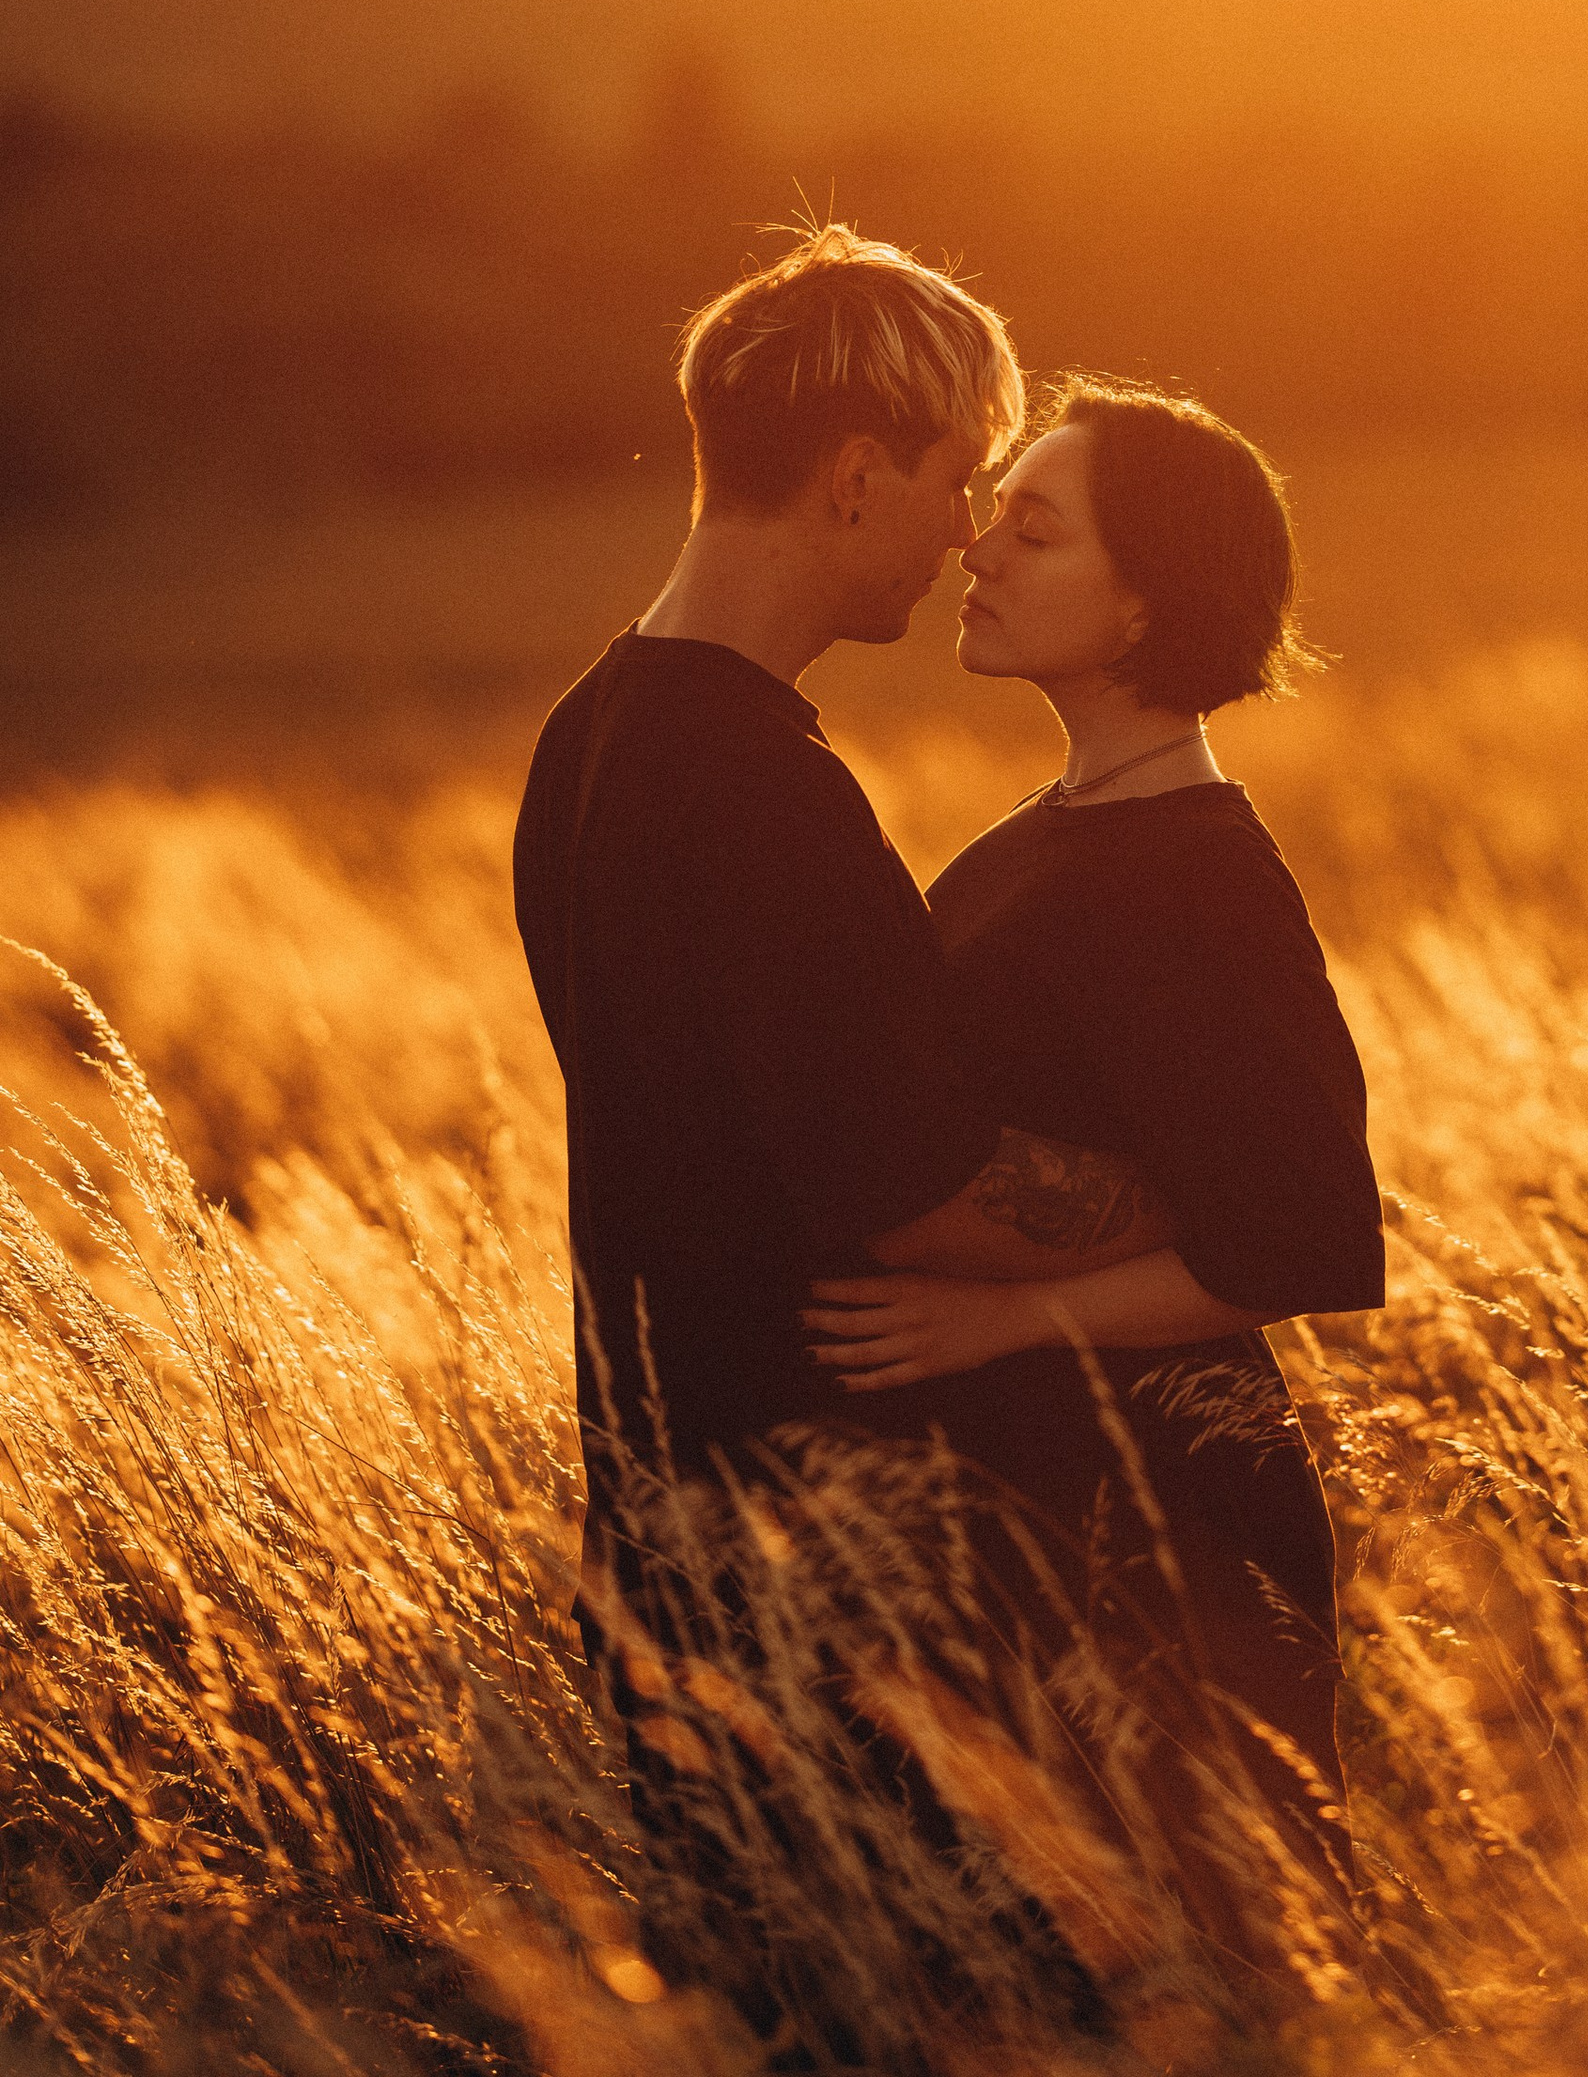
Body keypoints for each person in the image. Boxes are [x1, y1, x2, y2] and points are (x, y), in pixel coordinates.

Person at [513, 225, 1175, 2041]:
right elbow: (921, 1196)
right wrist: (1187, 1216)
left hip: (670, 1535)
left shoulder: (591, 736)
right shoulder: (755, 791)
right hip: (831, 1583)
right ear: (860, 474)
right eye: (965, 478)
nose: (974, 528)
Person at [803, 379, 1386, 1960]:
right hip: (1043, 1517)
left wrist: (994, 1324)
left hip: (1169, 1531)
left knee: (1198, 1969)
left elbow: (1307, 1237)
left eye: (1036, 527)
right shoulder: (1048, 832)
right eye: (997, 510)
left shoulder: (1200, 883)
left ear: (1147, 598)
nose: (980, 547)